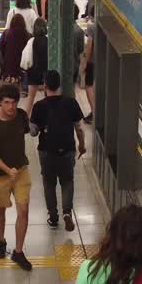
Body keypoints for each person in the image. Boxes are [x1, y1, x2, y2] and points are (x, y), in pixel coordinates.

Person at [0, 84, 33, 271]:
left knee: (23, 210)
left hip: (21, 171)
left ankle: (18, 251)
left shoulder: (21, 116)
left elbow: (25, 132)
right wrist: (7, 169)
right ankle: (1, 240)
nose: (11, 106)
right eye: (7, 102)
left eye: (14, 102)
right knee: (0, 209)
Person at [29, 70, 85, 231]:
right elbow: (79, 129)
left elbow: (33, 132)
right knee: (67, 181)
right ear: (60, 85)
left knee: (49, 183)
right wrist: (81, 145)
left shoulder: (39, 106)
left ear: (44, 85)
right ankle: (67, 212)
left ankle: (53, 217)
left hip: (46, 151)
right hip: (67, 149)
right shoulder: (71, 103)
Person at [20, 17, 49, 112]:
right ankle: (49, 116)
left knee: (30, 97)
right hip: (47, 72)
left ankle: (26, 116)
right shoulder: (49, 40)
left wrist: (25, 70)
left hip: (33, 72)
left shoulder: (31, 41)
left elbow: (26, 58)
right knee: (49, 97)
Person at [0, 13, 30, 91]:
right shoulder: (27, 35)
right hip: (22, 67)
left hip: (8, 67)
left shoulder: (6, 33)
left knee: (8, 89)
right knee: (19, 88)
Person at [81, 15, 95, 122]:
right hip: (102, 62)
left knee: (89, 86)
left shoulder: (92, 28)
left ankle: (94, 112)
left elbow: (89, 45)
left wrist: (85, 61)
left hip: (92, 61)